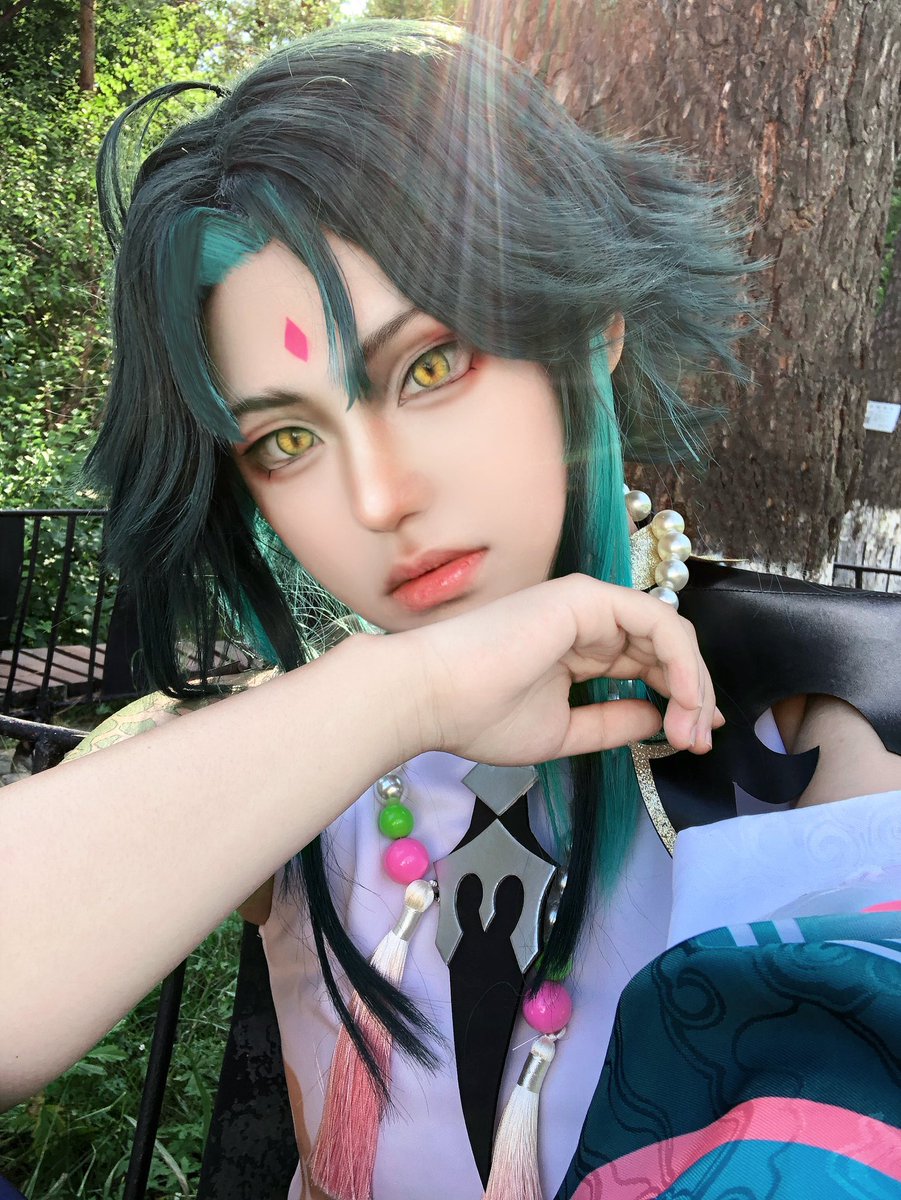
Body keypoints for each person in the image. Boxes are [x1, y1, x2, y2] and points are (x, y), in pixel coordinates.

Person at [1, 19, 899, 1200]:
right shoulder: (291, 754)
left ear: (591, 325)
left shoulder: (810, 740)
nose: (378, 499)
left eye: (429, 367)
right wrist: (405, 693)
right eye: (285, 441)